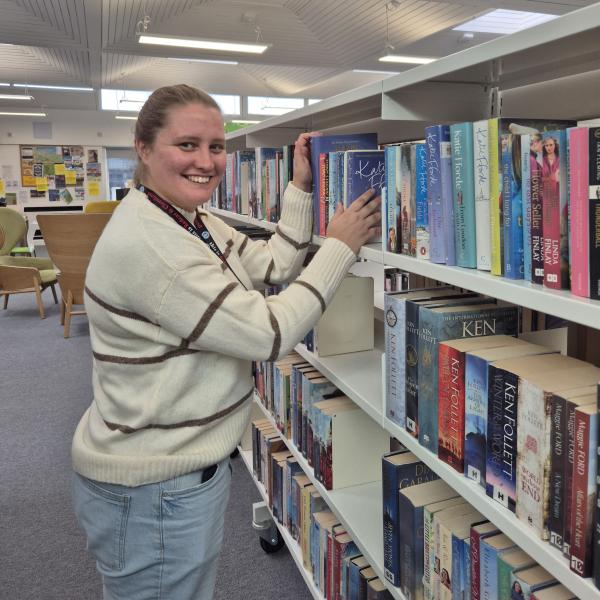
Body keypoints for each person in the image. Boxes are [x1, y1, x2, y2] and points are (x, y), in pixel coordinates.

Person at [71, 83, 381, 600]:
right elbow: (271, 332)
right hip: (155, 485)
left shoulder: (191, 220)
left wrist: (301, 186)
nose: (206, 161)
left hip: (174, 471)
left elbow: (276, 264)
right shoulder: (154, 245)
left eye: (216, 147)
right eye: (187, 145)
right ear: (143, 148)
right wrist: (341, 247)